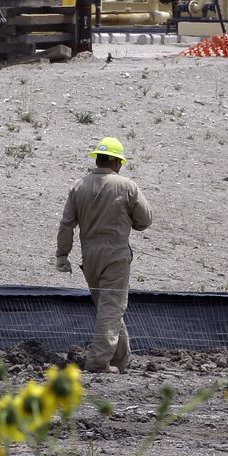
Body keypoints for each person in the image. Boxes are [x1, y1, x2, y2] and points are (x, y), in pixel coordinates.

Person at [56, 136, 153, 371]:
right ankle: (98, 362)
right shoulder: (127, 186)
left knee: (108, 307)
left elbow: (66, 224)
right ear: (117, 163)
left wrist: (62, 255)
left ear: (97, 159)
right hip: (116, 255)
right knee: (112, 308)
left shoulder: (78, 186)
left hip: (89, 257)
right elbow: (145, 220)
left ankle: (121, 360)